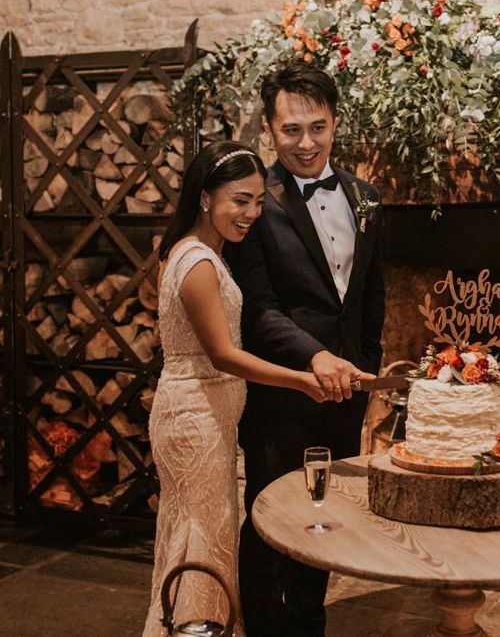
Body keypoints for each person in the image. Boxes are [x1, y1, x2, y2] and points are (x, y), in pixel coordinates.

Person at [225, 61, 385, 636]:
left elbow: (369, 299)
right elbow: (258, 308)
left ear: (336, 123)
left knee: (325, 515)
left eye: (317, 127)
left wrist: (363, 375)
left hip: (347, 394)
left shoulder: (366, 198)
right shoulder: (252, 203)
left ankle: (309, 626)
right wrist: (313, 356)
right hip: (278, 393)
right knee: (269, 522)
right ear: (269, 130)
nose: (305, 142)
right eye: (291, 130)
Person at [142, 141, 327, 637]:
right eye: (239, 200)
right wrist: (302, 381)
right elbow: (223, 355)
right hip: (194, 423)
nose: (252, 213)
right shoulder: (197, 262)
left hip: (211, 420)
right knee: (201, 544)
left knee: (206, 539)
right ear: (206, 199)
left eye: (258, 200)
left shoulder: (207, 253)